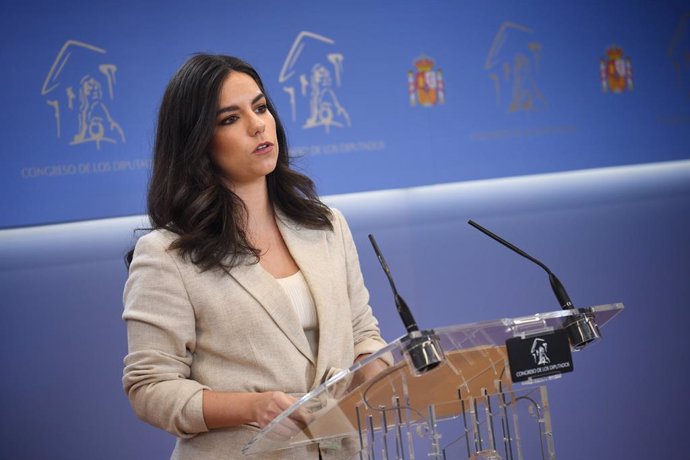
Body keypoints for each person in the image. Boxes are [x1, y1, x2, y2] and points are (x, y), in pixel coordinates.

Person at [122, 54, 389, 459]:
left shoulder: (326, 225)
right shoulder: (166, 255)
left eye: (261, 108)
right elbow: (150, 388)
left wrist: (375, 366)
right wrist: (252, 407)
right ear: (197, 143)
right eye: (230, 119)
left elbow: (360, 332)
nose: (257, 124)